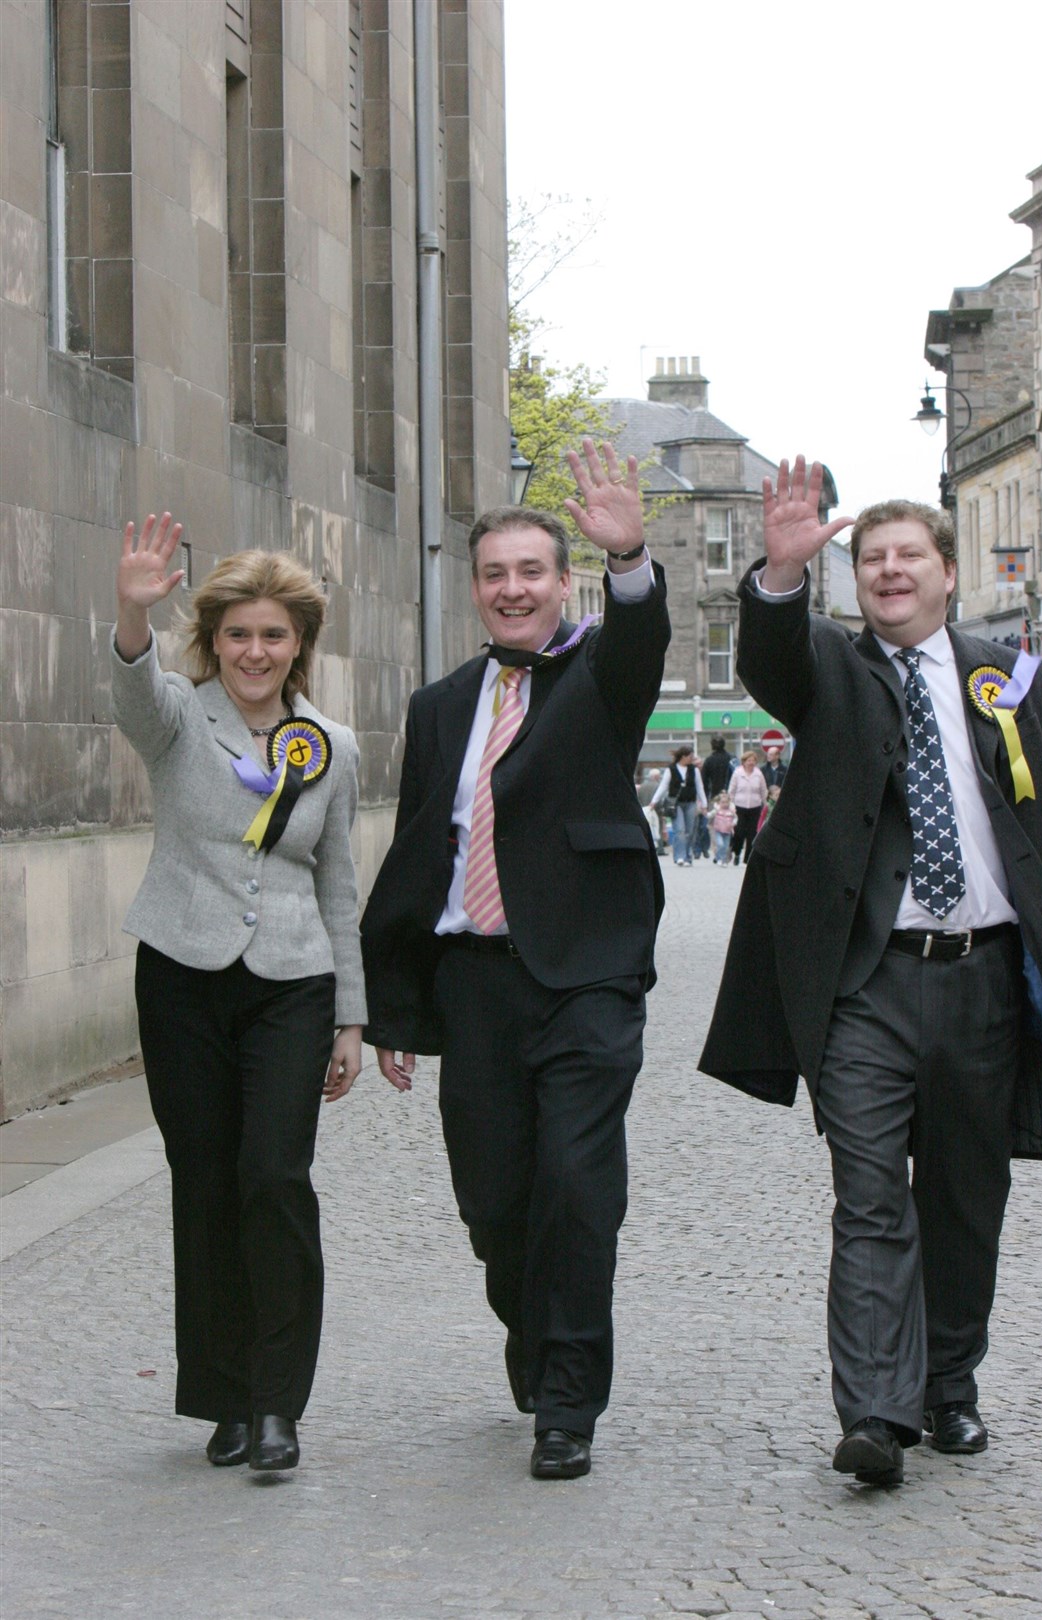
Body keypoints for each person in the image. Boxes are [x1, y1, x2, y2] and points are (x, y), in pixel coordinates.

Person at [700, 455, 1042, 1487]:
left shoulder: (1015, 681)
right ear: (853, 579)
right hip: (864, 984)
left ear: (950, 573)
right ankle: (874, 1411)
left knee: (964, 1198)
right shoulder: (829, 667)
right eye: (872, 558)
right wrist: (779, 575)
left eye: (911, 554)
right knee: (870, 1197)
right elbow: (772, 657)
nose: (891, 570)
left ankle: (949, 1387)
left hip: (987, 980)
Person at [360, 440, 669, 1480]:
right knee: (497, 1204)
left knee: (578, 1189)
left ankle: (568, 1405)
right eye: (494, 573)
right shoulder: (441, 705)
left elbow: (639, 642)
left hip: (584, 977)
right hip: (474, 983)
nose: (512, 589)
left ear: (561, 582)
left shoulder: (600, 678)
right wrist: (394, 1007)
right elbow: (416, 856)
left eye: (531, 571)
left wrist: (631, 561)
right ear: (477, 590)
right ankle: (530, 1330)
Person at [111, 514, 365, 1474]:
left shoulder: (329, 744)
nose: (255, 651)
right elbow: (132, 697)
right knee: (207, 1181)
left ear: (299, 642)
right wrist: (131, 616)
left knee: (274, 1177)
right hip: (181, 977)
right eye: (237, 633)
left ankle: (276, 1405)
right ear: (212, 641)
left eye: (273, 634)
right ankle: (220, 1395)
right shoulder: (179, 716)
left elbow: (338, 879)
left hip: (292, 985)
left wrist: (351, 1013)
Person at [651, 744, 707, 867]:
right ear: (683, 756)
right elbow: (663, 786)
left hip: (691, 802)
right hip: (676, 804)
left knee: (690, 831)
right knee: (680, 830)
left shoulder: (694, 770)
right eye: (690, 756)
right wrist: (654, 800)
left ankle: (688, 856)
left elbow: (699, 787)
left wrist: (704, 803)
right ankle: (679, 856)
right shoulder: (671, 769)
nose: (692, 759)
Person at [728, 750, 767, 865]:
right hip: (739, 806)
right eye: (749, 760)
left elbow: (763, 790)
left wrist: (764, 804)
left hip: (755, 806)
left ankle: (748, 858)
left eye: (753, 760)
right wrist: (731, 804)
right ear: (744, 762)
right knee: (739, 832)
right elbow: (732, 790)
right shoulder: (737, 773)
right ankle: (736, 852)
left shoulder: (758, 774)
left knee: (752, 833)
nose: (751, 763)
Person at [711, 792, 735, 864]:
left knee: (726, 846)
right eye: (723, 802)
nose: (725, 804)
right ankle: (719, 858)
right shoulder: (717, 810)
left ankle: (723, 860)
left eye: (726, 802)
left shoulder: (731, 811)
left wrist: (733, 823)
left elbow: (735, 818)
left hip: (727, 831)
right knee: (720, 844)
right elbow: (710, 815)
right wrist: (706, 814)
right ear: (719, 803)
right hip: (718, 830)